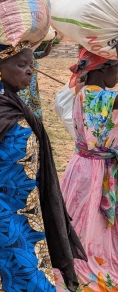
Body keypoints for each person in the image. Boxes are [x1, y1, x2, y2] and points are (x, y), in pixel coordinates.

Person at [0, 40, 86, 292]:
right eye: (21, 64)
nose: (29, 71)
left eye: (31, 65)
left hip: (29, 224)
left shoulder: (18, 106)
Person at [54, 47, 118, 291]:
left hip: (89, 167)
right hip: (93, 173)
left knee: (89, 220)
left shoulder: (87, 92)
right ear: (104, 67)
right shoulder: (93, 95)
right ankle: (82, 269)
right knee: (86, 221)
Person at [17, 38, 55, 118]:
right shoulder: (17, 57)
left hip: (32, 87)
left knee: (33, 111)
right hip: (22, 88)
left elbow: (45, 53)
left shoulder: (33, 56)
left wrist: (50, 41)